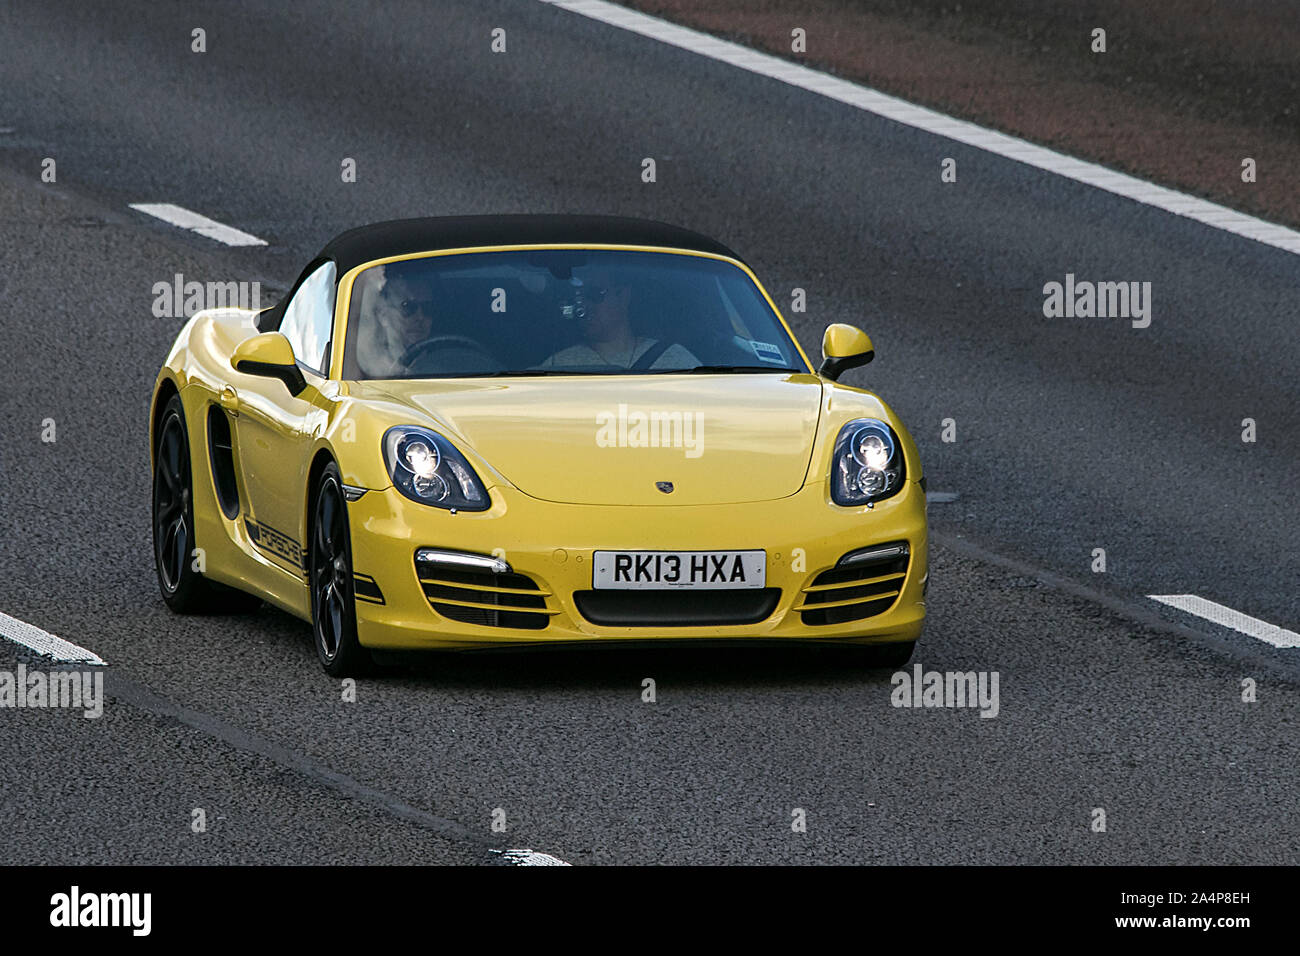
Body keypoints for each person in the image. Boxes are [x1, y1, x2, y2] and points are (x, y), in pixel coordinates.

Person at [537, 267, 698, 370]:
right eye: (579, 296)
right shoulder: (558, 366)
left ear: (623, 296)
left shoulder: (675, 359)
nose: (584, 305)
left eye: (594, 294)